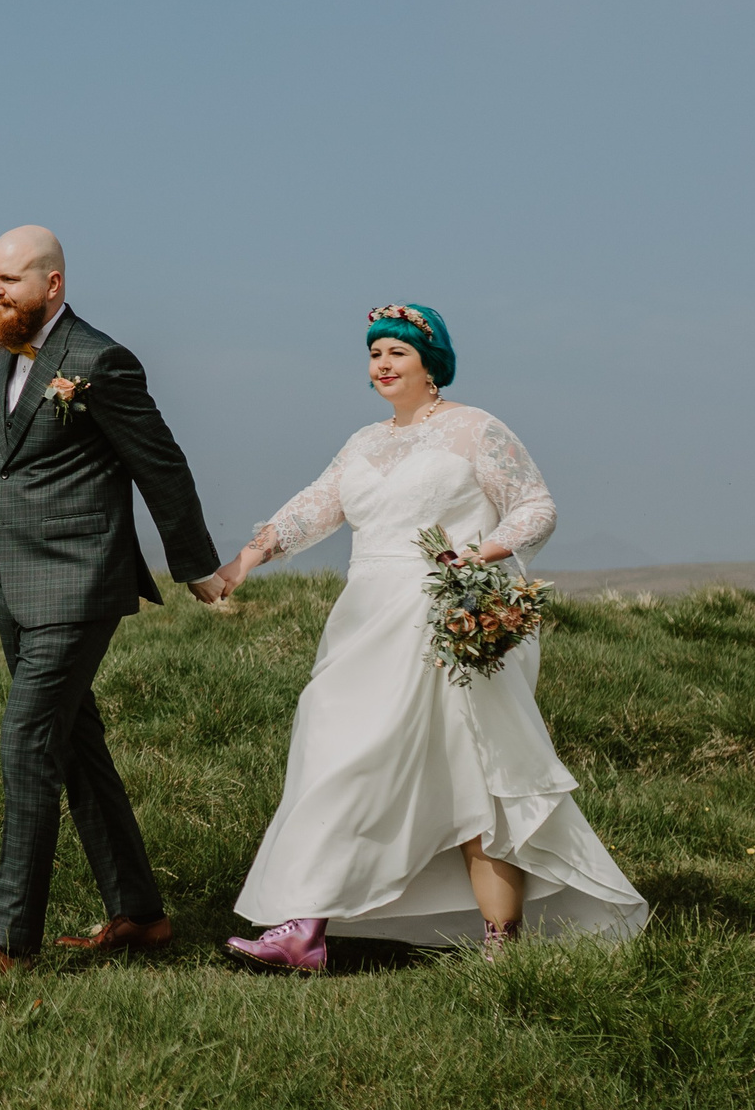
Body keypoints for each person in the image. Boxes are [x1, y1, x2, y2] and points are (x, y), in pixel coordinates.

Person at [211, 304, 647, 970]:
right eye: (375, 352)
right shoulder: (362, 442)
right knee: (332, 754)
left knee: (476, 778)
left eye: (398, 352)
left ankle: (502, 946)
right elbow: (315, 506)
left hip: (444, 623)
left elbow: (536, 506)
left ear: (430, 363)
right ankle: (303, 928)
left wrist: (480, 556)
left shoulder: (477, 429)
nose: (382, 363)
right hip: (364, 623)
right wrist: (247, 557)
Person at [0, 225, 226, 981]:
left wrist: (195, 564)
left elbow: (161, 464)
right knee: (74, 746)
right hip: (16, 584)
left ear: (54, 284)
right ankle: (140, 913)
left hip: (79, 582)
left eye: (10, 279)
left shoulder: (101, 362)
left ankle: (9, 944)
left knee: (26, 743)